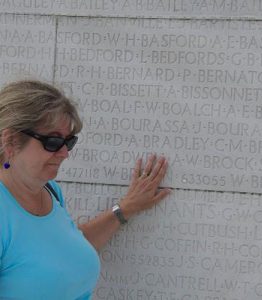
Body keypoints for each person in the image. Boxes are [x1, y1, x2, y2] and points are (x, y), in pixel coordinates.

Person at [0, 80, 170, 299]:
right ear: (10, 141)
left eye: (68, 142)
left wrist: (125, 208)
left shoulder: (50, 192)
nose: (64, 153)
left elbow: (61, 251)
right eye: (52, 141)